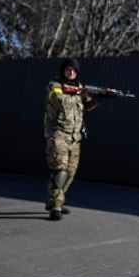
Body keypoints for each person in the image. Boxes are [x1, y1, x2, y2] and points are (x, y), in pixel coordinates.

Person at [43, 58, 107, 221]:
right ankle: (56, 207)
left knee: (70, 172)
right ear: (63, 71)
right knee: (60, 171)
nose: (71, 73)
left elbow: (86, 105)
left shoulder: (79, 89)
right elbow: (59, 101)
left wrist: (100, 97)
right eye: (68, 70)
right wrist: (81, 95)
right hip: (58, 134)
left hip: (74, 137)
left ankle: (56, 199)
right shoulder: (54, 86)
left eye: (74, 70)